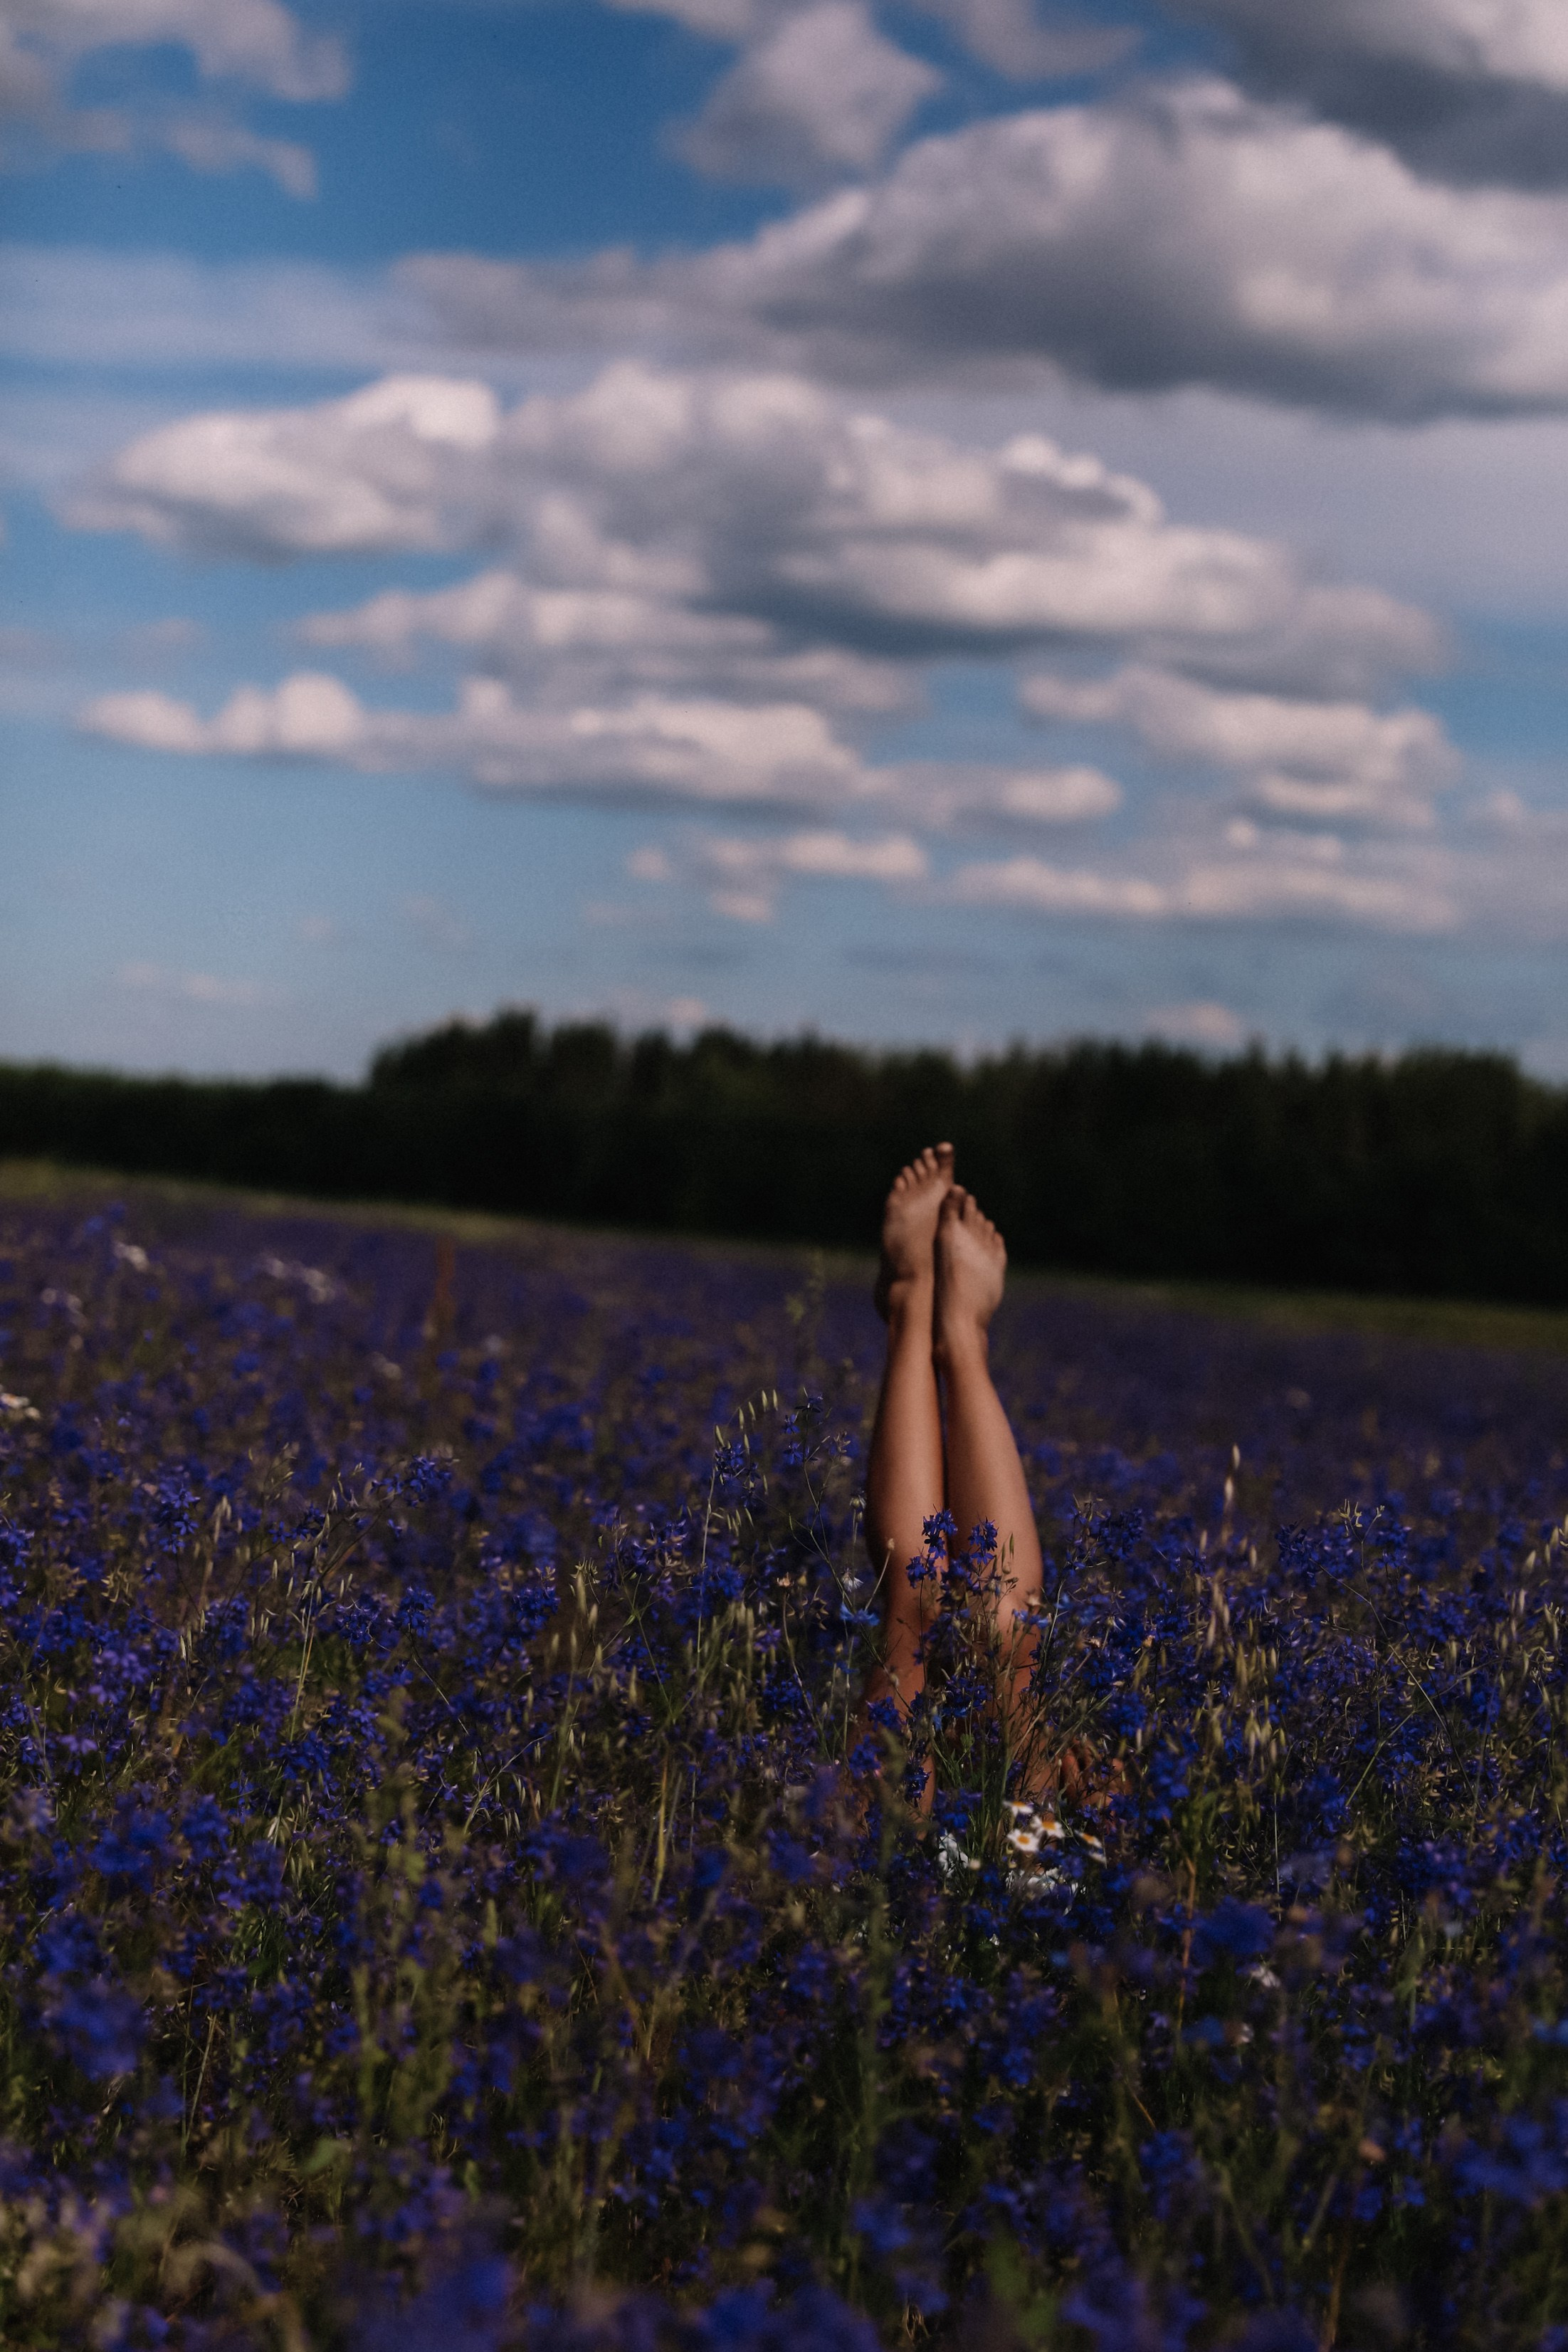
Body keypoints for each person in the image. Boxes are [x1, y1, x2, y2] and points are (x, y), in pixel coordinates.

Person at [859, 1144, 1047, 1805]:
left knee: (916, 1607)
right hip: (1039, 1880)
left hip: (921, 1879)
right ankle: (959, 1336)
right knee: (1003, 1623)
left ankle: (916, 1306)